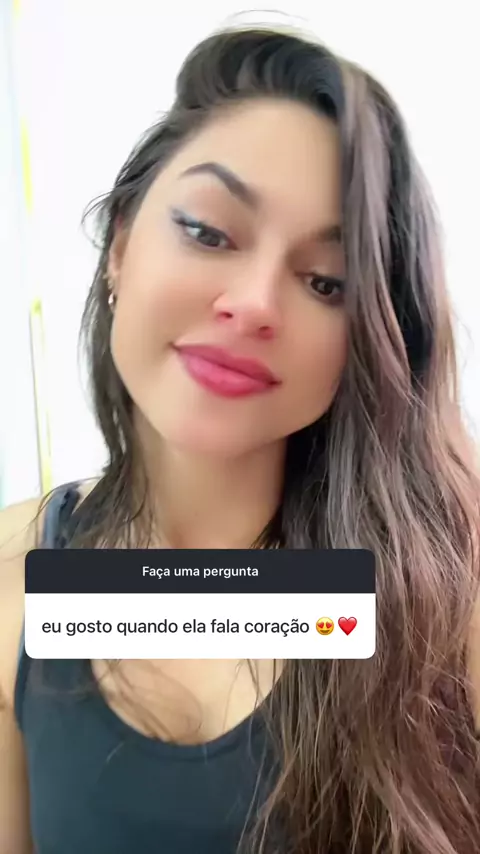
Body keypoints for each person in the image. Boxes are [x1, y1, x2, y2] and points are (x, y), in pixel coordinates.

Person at [0, 23, 479, 854]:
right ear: (120, 247)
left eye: (326, 282)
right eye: (209, 232)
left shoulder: (449, 590)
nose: (255, 303)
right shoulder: (16, 575)